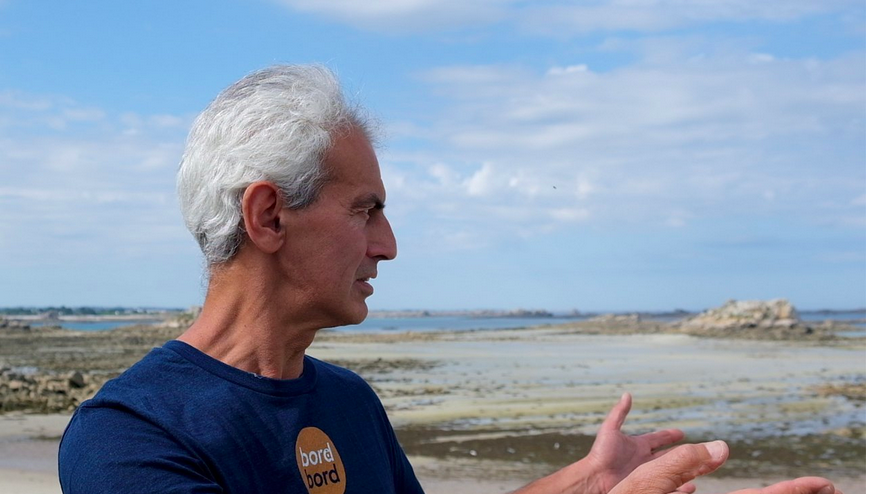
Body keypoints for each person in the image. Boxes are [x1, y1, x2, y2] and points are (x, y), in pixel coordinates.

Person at [58, 65, 841, 494]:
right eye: (365, 210)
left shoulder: (346, 401)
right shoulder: (130, 439)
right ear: (267, 216)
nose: (388, 246)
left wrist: (587, 481)